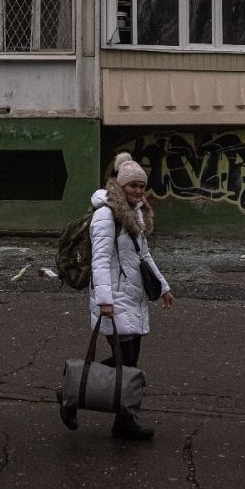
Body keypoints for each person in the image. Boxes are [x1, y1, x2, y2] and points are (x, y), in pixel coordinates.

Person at [63, 158, 173, 440]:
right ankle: (75, 394)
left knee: (129, 363)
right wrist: (104, 301)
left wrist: (163, 288)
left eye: (141, 186)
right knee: (128, 363)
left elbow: (143, 256)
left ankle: (120, 419)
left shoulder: (136, 213)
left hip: (133, 297)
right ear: (121, 185)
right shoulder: (106, 215)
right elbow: (99, 261)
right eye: (133, 185)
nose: (138, 191)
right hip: (113, 299)